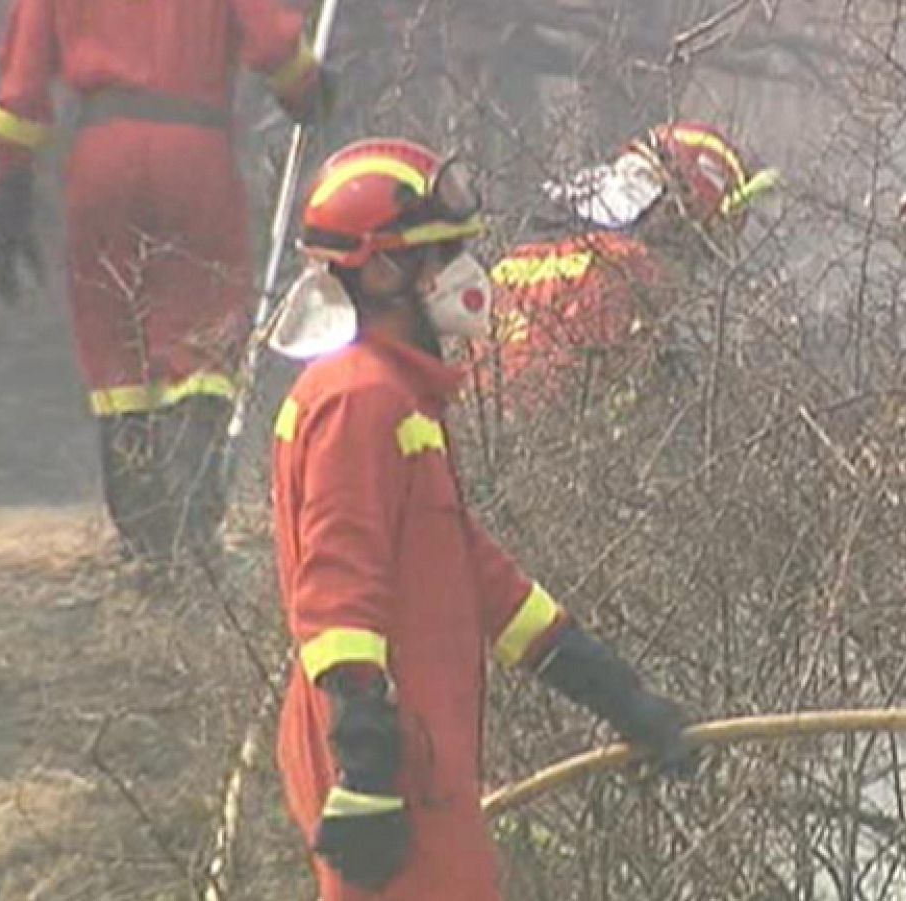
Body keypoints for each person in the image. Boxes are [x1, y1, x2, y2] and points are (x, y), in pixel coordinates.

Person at [268, 137, 696, 900]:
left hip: (420, 762)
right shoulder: (360, 400)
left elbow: (480, 581)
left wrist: (617, 694)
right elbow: (337, 588)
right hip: (390, 769)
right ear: (381, 271)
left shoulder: (400, 404)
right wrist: (366, 765)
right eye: (444, 254)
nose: (468, 272)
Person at [0, 0, 329, 569]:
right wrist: (307, 87)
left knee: (112, 339)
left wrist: (7, 186)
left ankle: (144, 537)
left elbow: (21, 82)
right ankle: (194, 528)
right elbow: (272, 44)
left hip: (101, 155)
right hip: (196, 153)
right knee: (204, 331)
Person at [480, 120, 780, 415]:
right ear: (678, 214)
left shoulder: (523, 239)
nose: (691, 271)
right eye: (702, 247)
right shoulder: (632, 270)